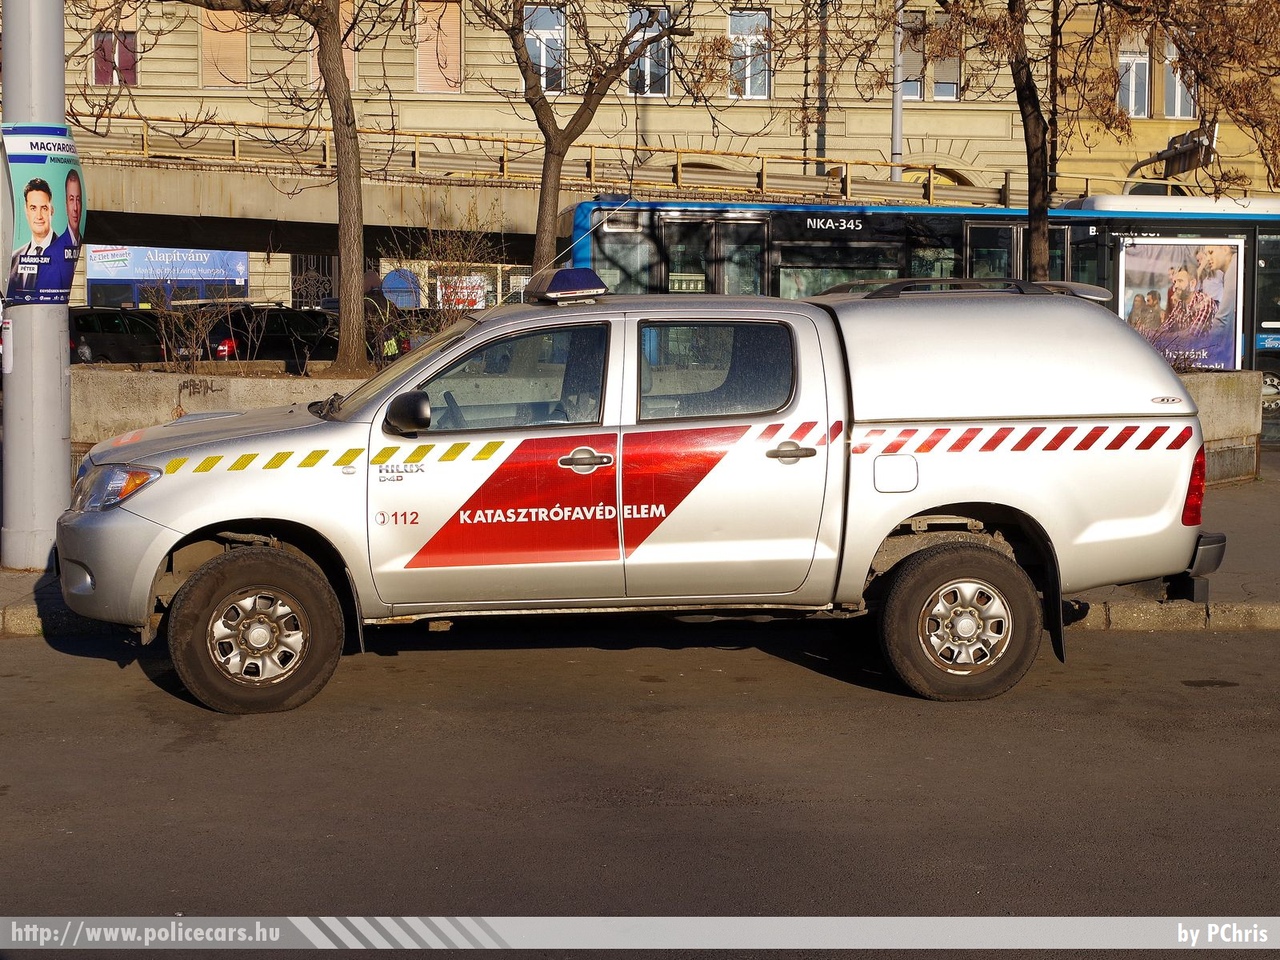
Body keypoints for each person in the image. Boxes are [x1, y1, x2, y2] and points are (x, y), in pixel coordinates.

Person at [7, 177, 76, 299]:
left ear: (52, 211)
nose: (38, 216)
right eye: (33, 208)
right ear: (26, 211)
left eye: (44, 208)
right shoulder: (14, 259)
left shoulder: (64, 252)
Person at [1161, 265, 1216, 334]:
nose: (1175, 286)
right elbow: (1165, 328)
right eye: (1175, 282)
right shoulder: (1180, 304)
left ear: (1192, 283)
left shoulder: (1204, 302)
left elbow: (1191, 336)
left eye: (1180, 281)